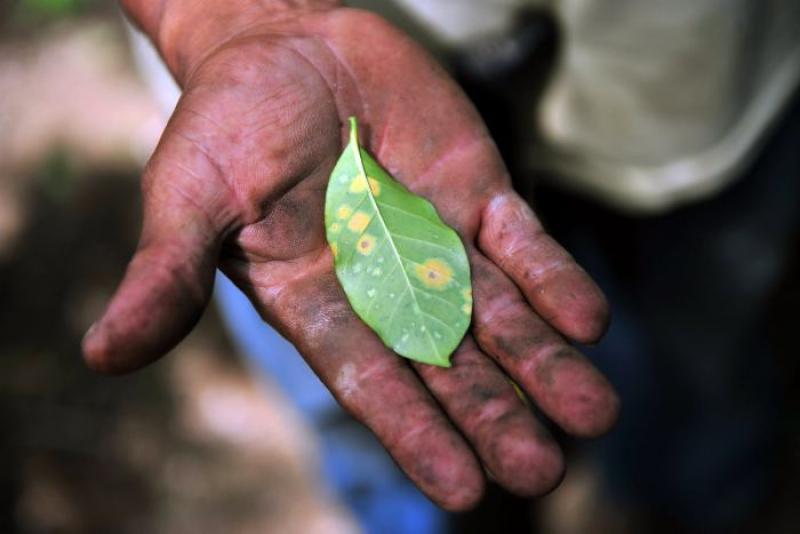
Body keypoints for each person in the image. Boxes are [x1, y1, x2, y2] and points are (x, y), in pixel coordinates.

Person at [91, 0, 800, 532]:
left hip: (689, 72)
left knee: (696, 390)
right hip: (294, 104)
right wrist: (230, 18)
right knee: (387, 431)